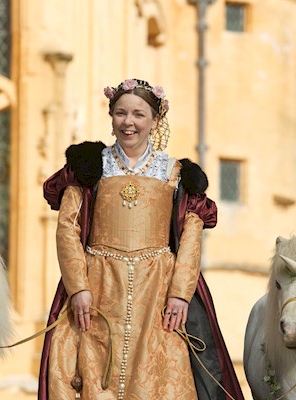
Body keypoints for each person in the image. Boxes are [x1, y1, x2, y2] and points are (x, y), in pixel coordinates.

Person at [37, 78, 244, 400]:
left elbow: (191, 236)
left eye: (138, 114)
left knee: (164, 376)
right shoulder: (90, 168)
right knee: (85, 368)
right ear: (111, 116)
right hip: (99, 284)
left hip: (158, 290)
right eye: (121, 113)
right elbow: (68, 227)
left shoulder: (176, 174)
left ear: (155, 120)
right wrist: (78, 287)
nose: (128, 122)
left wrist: (180, 294)